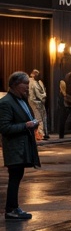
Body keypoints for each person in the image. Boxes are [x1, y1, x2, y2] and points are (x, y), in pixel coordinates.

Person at [1, 71, 42, 220]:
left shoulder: (21, 100)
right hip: (14, 147)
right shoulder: (6, 103)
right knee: (15, 177)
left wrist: (33, 124)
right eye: (25, 84)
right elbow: (4, 127)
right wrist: (26, 125)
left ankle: (14, 207)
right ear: (15, 84)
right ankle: (11, 209)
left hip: (23, 146)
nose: (27, 87)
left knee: (17, 176)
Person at [28, 69, 48, 140]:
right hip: (35, 102)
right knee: (39, 118)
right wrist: (43, 96)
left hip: (39, 102)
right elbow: (38, 93)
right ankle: (40, 134)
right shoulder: (32, 83)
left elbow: (43, 91)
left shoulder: (39, 82)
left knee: (43, 117)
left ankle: (43, 133)